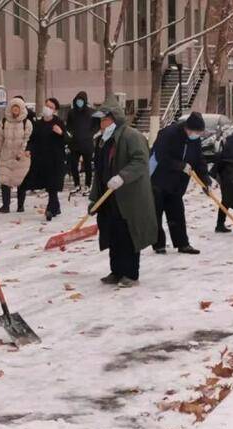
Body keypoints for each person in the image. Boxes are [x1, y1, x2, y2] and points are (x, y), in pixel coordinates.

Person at [89, 98, 157, 288]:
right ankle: (116, 271)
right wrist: (94, 198)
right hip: (109, 196)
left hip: (129, 197)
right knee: (113, 234)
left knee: (128, 235)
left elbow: (140, 162)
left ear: (114, 119)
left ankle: (130, 274)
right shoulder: (102, 141)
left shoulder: (131, 137)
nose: (101, 124)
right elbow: (99, 171)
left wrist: (122, 177)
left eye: (104, 120)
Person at [150, 112, 211, 255]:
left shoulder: (194, 140)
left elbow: (199, 160)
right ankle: (158, 245)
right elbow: (160, 156)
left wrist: (205, 181)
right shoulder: (169, 134)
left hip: (177, 183)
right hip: (159, 179)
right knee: (156, 213)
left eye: (198, 133)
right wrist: (180, 165)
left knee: (177, 213)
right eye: (195, 132)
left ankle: (183, 244)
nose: (196, 135)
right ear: (187, 128)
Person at [23, 98, 67, 221]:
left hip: (55, 159)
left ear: (55, 110)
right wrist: (28, 149)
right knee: (48, 185)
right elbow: (33, 140)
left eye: (51, 107)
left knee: (53, 185)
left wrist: (60, 133)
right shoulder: (39, 123)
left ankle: (50, 209)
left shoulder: (59, 122)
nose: (47, 108)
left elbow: (67, 140)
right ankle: (56, 207)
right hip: (41, 159)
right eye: (46, 105)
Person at [0, 97, 33, 213]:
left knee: (21, 181)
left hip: (21, 157)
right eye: (13, 108)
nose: (15, 111)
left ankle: (20, 205)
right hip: (6, 155)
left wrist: (23, 151)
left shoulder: (27, 123)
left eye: (17, 108)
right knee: (5, 180)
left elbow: (28, 139)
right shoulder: (4, 122)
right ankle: (6, 205)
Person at [66, 91, 96, 193]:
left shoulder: (91, 112)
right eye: (78, 100)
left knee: (87, 165)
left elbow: (96, 125)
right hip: (74, 143)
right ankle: (77, 184)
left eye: (82, 100)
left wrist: (91, 133)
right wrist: (70, 134)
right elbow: (68, 125)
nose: (80, 102)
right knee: (73, 165)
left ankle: (88, 184)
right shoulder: (71, 112)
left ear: (85, 101)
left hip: (87, 143)